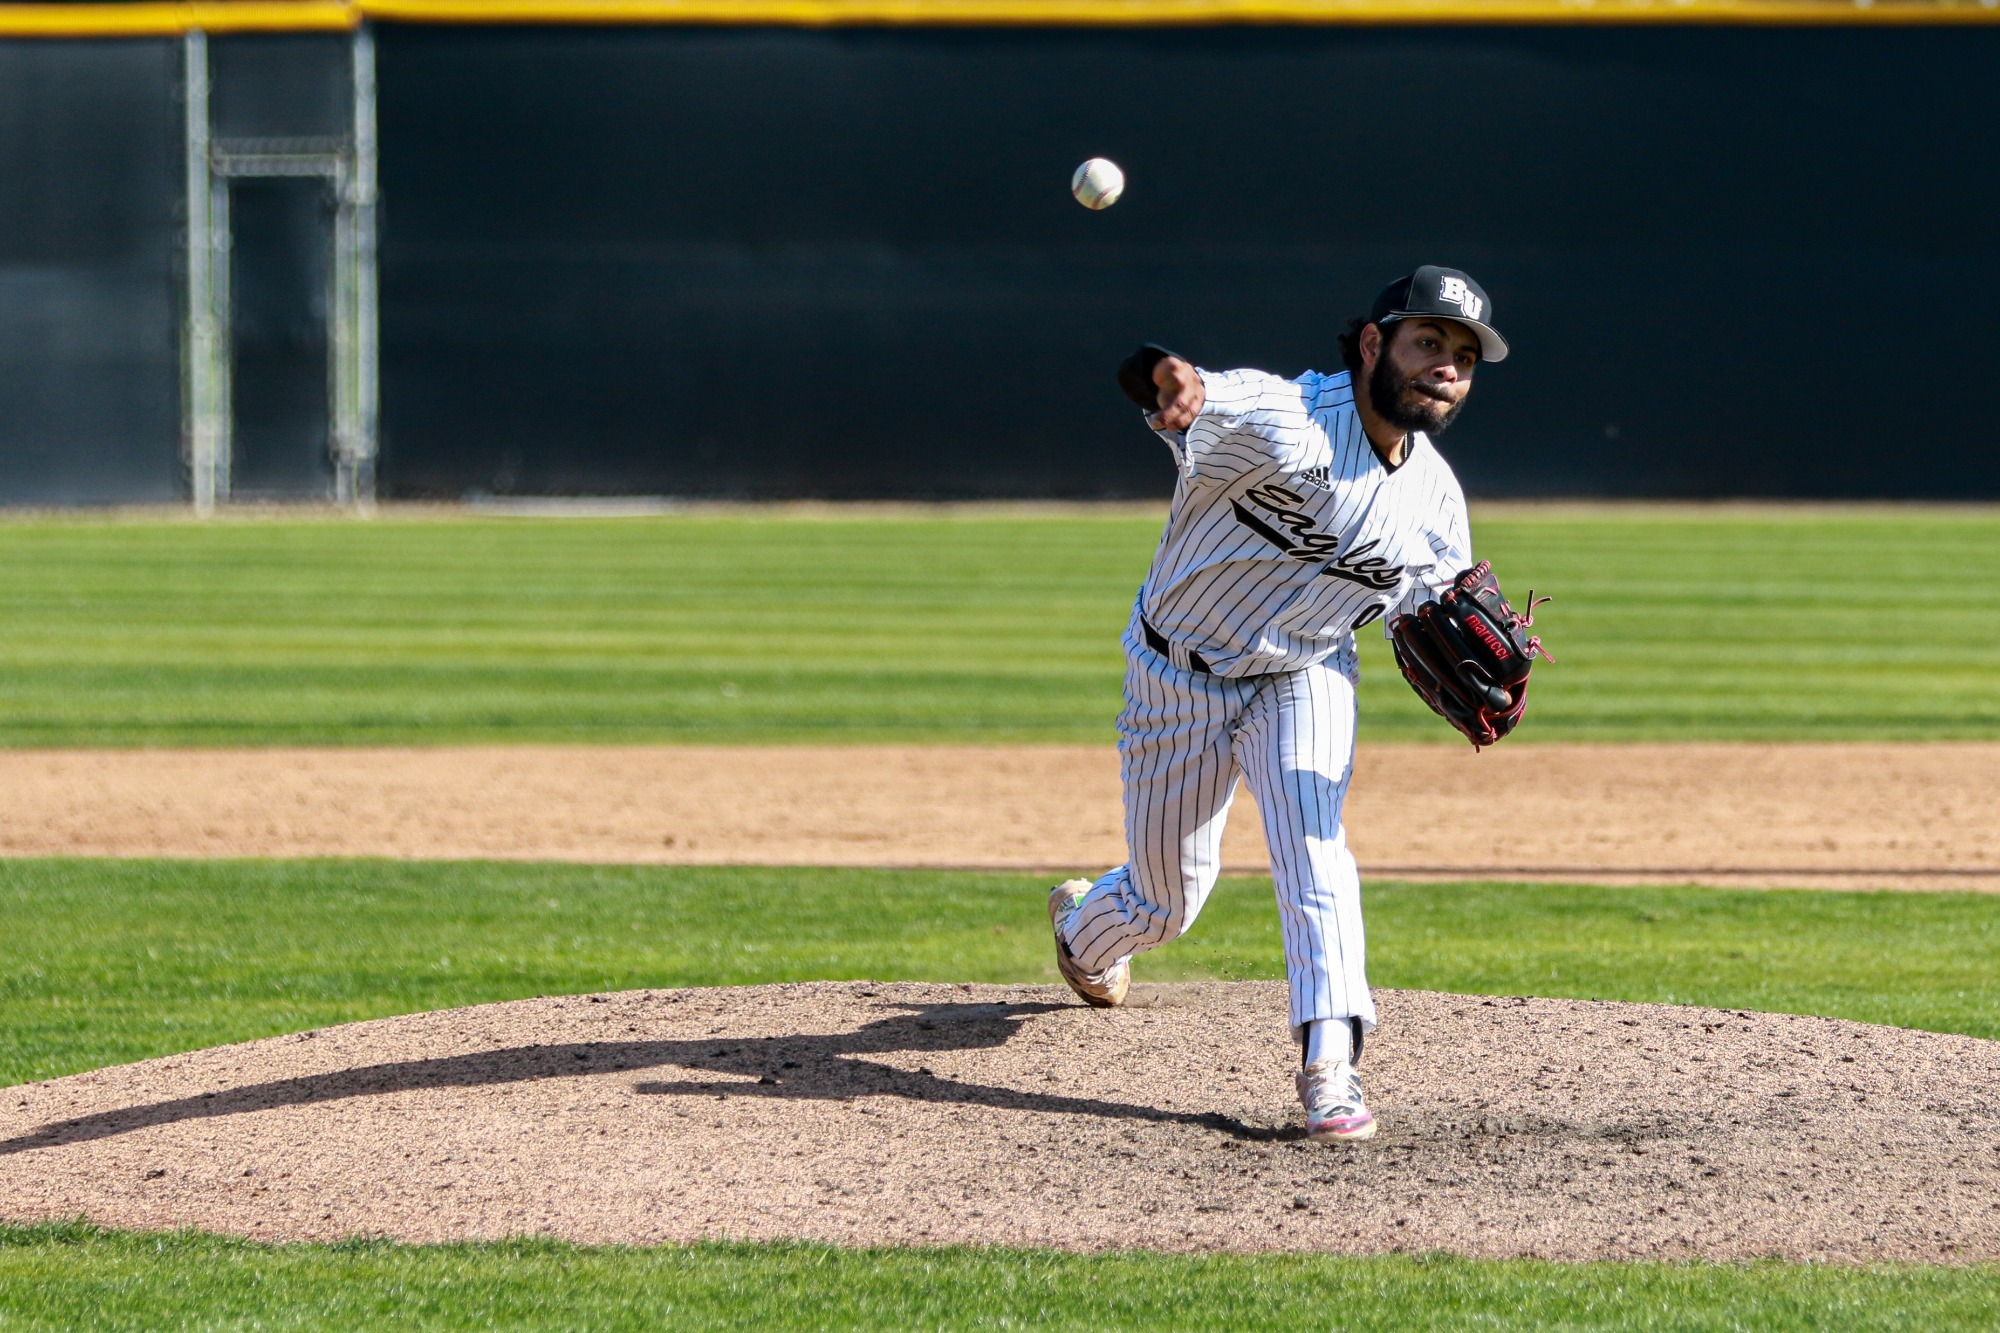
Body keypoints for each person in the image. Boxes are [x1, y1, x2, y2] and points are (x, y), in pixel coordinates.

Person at [1047, 266, 1509, 1142]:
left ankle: (1330, 1065)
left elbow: (1436, 611)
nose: (1445, 366)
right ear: (1373, 344)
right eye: (1426, 343)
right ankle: (1081, 932)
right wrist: (1168, 380)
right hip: (1174, 675)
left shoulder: (1436, 504)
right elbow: (1164, 379)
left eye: (1462, 355)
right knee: (1165, 902)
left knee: (1313, 842)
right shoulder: (1280, 419)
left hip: (1304, 673)